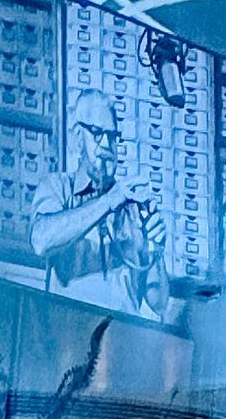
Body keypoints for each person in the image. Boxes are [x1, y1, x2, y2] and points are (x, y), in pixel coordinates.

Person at [27, 93, 163, 314]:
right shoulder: (57, 187)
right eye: (98, 134)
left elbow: (158, 301)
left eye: (113, 136)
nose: (107, 145)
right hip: (70, 333)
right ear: (78, 138)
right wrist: (108, 201)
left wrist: (158, 251)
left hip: (120, 337)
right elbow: (41, 241)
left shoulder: (134, 209)